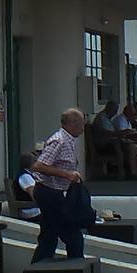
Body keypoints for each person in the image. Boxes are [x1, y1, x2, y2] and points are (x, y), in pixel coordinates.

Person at [30, 108, 88, 263]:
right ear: (72, 123)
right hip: (49, 192)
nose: (84, 128)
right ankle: (77, 268)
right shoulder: (59, 141)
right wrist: (68, 175)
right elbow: (39, 166)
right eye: (82, 124)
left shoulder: (69, 141)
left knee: (48, 238)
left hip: (56, 191)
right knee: (72, 234)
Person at [91, 99, 137, 177]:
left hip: (111, 142)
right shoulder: (102, 118)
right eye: (114, 111)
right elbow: (107, 133)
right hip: (104, 145)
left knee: (133, 146)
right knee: (131, 147)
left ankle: (131, 171)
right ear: (109, 109)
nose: (115, 113)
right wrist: (122, 133)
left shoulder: (107, 118)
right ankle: (131, 172)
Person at [12, 152, 41, 220]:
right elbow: (35, 196)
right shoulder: (25, 177)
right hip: (31, 211)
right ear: (32, 163)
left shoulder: (28, 174)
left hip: (34, 208)